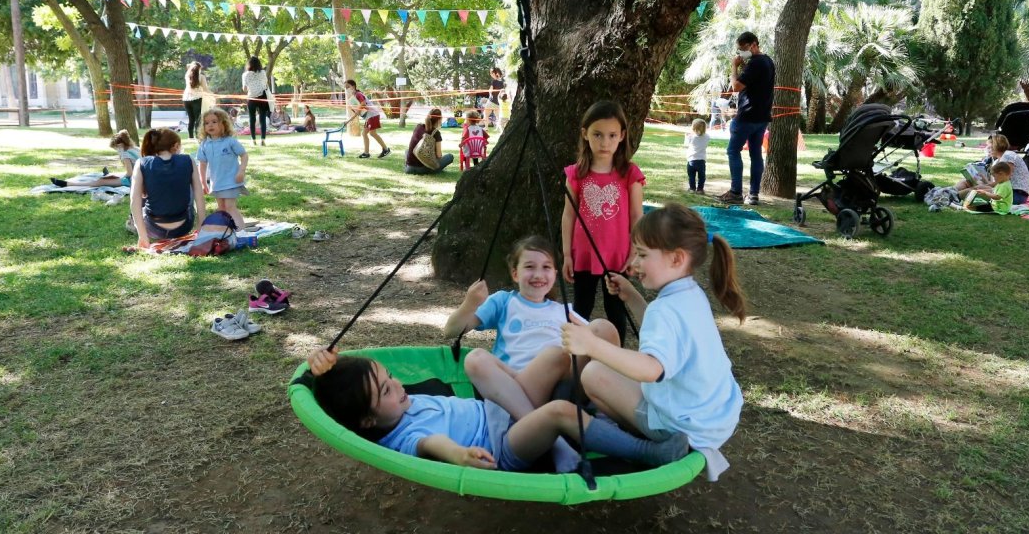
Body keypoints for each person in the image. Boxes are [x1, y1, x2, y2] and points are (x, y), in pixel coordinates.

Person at [561, 202, 745, 480]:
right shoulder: (692, 294)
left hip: (683, 428)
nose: (635, 263)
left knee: (593, 374)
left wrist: (592, 345)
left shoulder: (665, 310)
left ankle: (647, 449)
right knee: (607, 374)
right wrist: (632, 297)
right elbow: (666, 336)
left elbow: (652, 369)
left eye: (643, 254)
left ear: (676, 258)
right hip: (714, 419)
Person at [305, 346, 689, 473]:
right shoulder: (404, 436)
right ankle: (645, 452)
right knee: (558, 410)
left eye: (391, 376)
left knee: (556, 356)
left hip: (501, 408)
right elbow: (433, 445)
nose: (399, 385)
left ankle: (601, 416)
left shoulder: (396, 407)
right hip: (502, 443)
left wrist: (321, 365)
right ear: (368, 419)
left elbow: (331, 385)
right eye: (387, 389)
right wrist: (460, 455)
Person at [443, 235, 621, 470]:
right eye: (529, 267)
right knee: (476, 358)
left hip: (563, 389)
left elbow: (597, 341)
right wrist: (470, 303)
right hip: (518, 390)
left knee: (602, 328)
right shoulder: (504, 302)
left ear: (555, 274)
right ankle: (556, 443)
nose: (538, 274)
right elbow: (451, 330)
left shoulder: (563, 310)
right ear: (515, 273)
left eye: (546, 267)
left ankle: (608, 414)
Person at [562, 101, 645, 344]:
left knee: (616, 309)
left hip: (618, 255)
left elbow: (637, 216)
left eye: (611, 135)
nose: (604, 142)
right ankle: (575, 354)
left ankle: (616, 355)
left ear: (622, 136)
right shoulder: (576, 174)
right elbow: (568, 215)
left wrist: (634, 252)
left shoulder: (630, 173)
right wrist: (567, 254)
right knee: (581, 307)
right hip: (584, 254)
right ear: (585, 134)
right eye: (597, 134)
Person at [718, 31, 775, 206]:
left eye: (743, 48)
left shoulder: (755, 63)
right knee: (756, 154)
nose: (741, 52)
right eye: (739, 49)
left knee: (733, 151)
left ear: (754, 45)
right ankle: (754, 194)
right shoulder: (767, 61)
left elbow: (736, 86)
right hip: (762, 117)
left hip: (747, 116)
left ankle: (736, 192)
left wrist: (734, 66)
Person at [129, 128, 206, 248]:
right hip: (184, 227)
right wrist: (201, 226)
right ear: (176, 146)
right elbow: (199, 195)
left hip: (153, 229)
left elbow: (134, 200)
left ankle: (133, 224)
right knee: (191, 187)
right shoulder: (188, 160)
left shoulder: (141, 163)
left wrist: (142, 236)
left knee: (141, 194)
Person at [196, 108, 248, 230]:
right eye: (206, 123)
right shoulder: (204, 145)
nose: (210, 125)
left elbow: (244, 155)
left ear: (223, 124)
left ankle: (241, 232)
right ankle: (226, 231)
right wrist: (203, 182)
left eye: (214, 122)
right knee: (222, 209)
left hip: (231, 181)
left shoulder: (230, 141)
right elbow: (202, 164)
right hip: (217, 183)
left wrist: (241, 171)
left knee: (230, 207)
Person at [954, 133, 1029, 205]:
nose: (987, 149)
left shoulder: (1008, 156)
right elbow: (995, 183)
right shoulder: (997, 161)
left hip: (1016, 194)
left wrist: (983, 185)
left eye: (989, 147)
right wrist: (983, 179)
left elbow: (1005, 179)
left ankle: (953, 196)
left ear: (996, 146)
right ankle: (951, 191)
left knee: (978, 189)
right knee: (966, 181)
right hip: (1004, 190)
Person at [50, 130, 139, 189]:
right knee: (113, 177)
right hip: (142, 177)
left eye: (115, 148)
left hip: (135, 180)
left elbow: (129, 173)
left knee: (100, 181)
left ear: (119, 145)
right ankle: (108, 176)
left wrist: (121, 178)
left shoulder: (125, 154)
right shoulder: (136, 149)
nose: (117, 151)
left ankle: (68, 184)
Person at [348, 80, 390, 159]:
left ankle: (386, 149)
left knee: (372, 133)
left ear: (353, 86)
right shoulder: (354, 97)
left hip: (372, 114)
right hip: (369, 116)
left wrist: (357, 111)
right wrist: (348, 121)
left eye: (348, 87)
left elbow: (363, 103)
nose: (347, 89)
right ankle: (366, 153)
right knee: (364, 133)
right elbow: (358, 112)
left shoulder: (358, 94)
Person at [404, 108, 454, 174]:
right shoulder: (436, 133)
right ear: (439, 119)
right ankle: (434, 170)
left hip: (409, 168)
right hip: (423, 168)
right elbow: (439, 155)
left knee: (407, 151)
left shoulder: (418, 126)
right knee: (450, 156)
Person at [240, 56, 270, 146]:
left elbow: (244, 89)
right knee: (262, 118)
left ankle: (253, 140)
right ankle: (263, 139)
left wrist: (251, 87)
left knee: (252, 119)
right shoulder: (262, 72)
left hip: (251, 97)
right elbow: (265, 84)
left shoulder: (245, 75)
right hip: (262, 96)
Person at [182, 62, 212, 140]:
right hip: (197, 99)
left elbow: (188, 67)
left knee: (191, 119)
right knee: (198, 119)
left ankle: (190, 137)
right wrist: (212, 94)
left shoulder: (187, 76)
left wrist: (192, 66)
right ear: (200, 69)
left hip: (186, 99)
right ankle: (198, 136)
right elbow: (205, 89)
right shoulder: (201, 77)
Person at [685, 118, 710, 194]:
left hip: (691, 159)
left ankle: (692, 188)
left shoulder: (690, 137)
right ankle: (700, 189)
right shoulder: (707, 136)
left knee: (691, 176)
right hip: (701, 160)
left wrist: (686, 137)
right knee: (701, 176)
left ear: (693, 127)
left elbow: (686, 145)